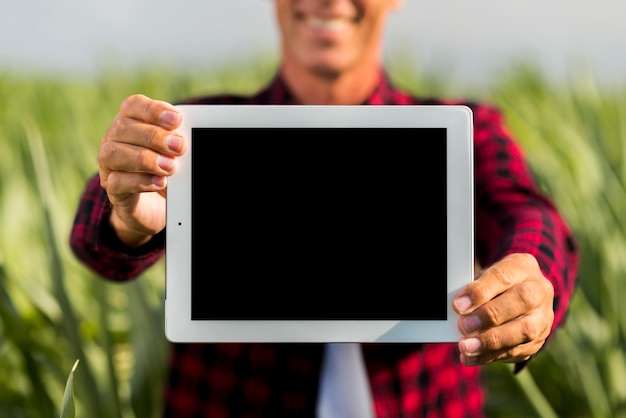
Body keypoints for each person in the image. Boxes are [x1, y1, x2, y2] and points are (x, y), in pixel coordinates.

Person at [69, 0, 579, 416]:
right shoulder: (197, 132)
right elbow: (94, 241)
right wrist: (126, 217)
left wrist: (529, 277)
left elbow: (525, 213)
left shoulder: (462, 131)